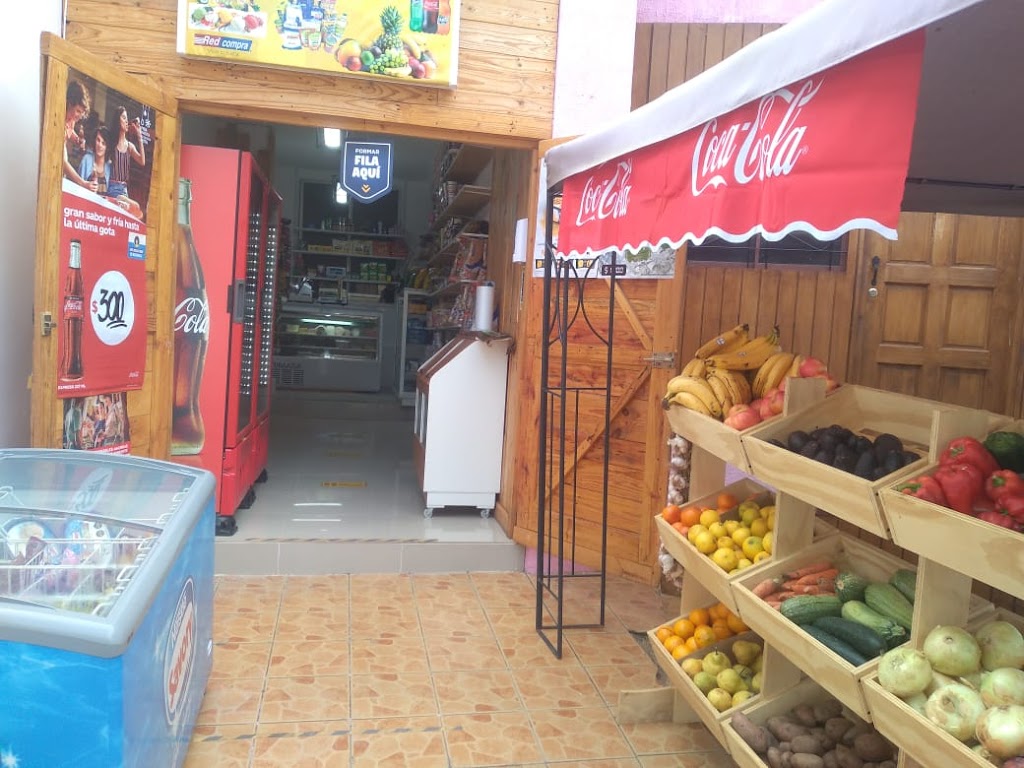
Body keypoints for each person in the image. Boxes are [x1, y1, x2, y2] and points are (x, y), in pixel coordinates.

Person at [63, 80, 97, 193]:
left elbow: (70, 131)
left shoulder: (71, 119)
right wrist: (82, 183)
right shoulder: (59, 121)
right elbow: (62, 162)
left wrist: (77, 139)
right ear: (69, 104)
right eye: (78, 111)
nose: (79, 116)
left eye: (81, 112)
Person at [108, 106, 145, 203]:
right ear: (117, 120)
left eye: (127, 119)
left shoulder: (129, 146)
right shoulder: (111, 142)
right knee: (135, 205)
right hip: (112, 187)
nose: (126, 121)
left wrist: (139, 135)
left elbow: (142, 161)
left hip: (124, 190)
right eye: (124, 118)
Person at [79, 125, 112, 196]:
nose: (100, 145)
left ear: (107, 147)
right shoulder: (86, 160)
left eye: (103, 143)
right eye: (98, 140)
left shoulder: (110, 167)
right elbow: (79, 186)